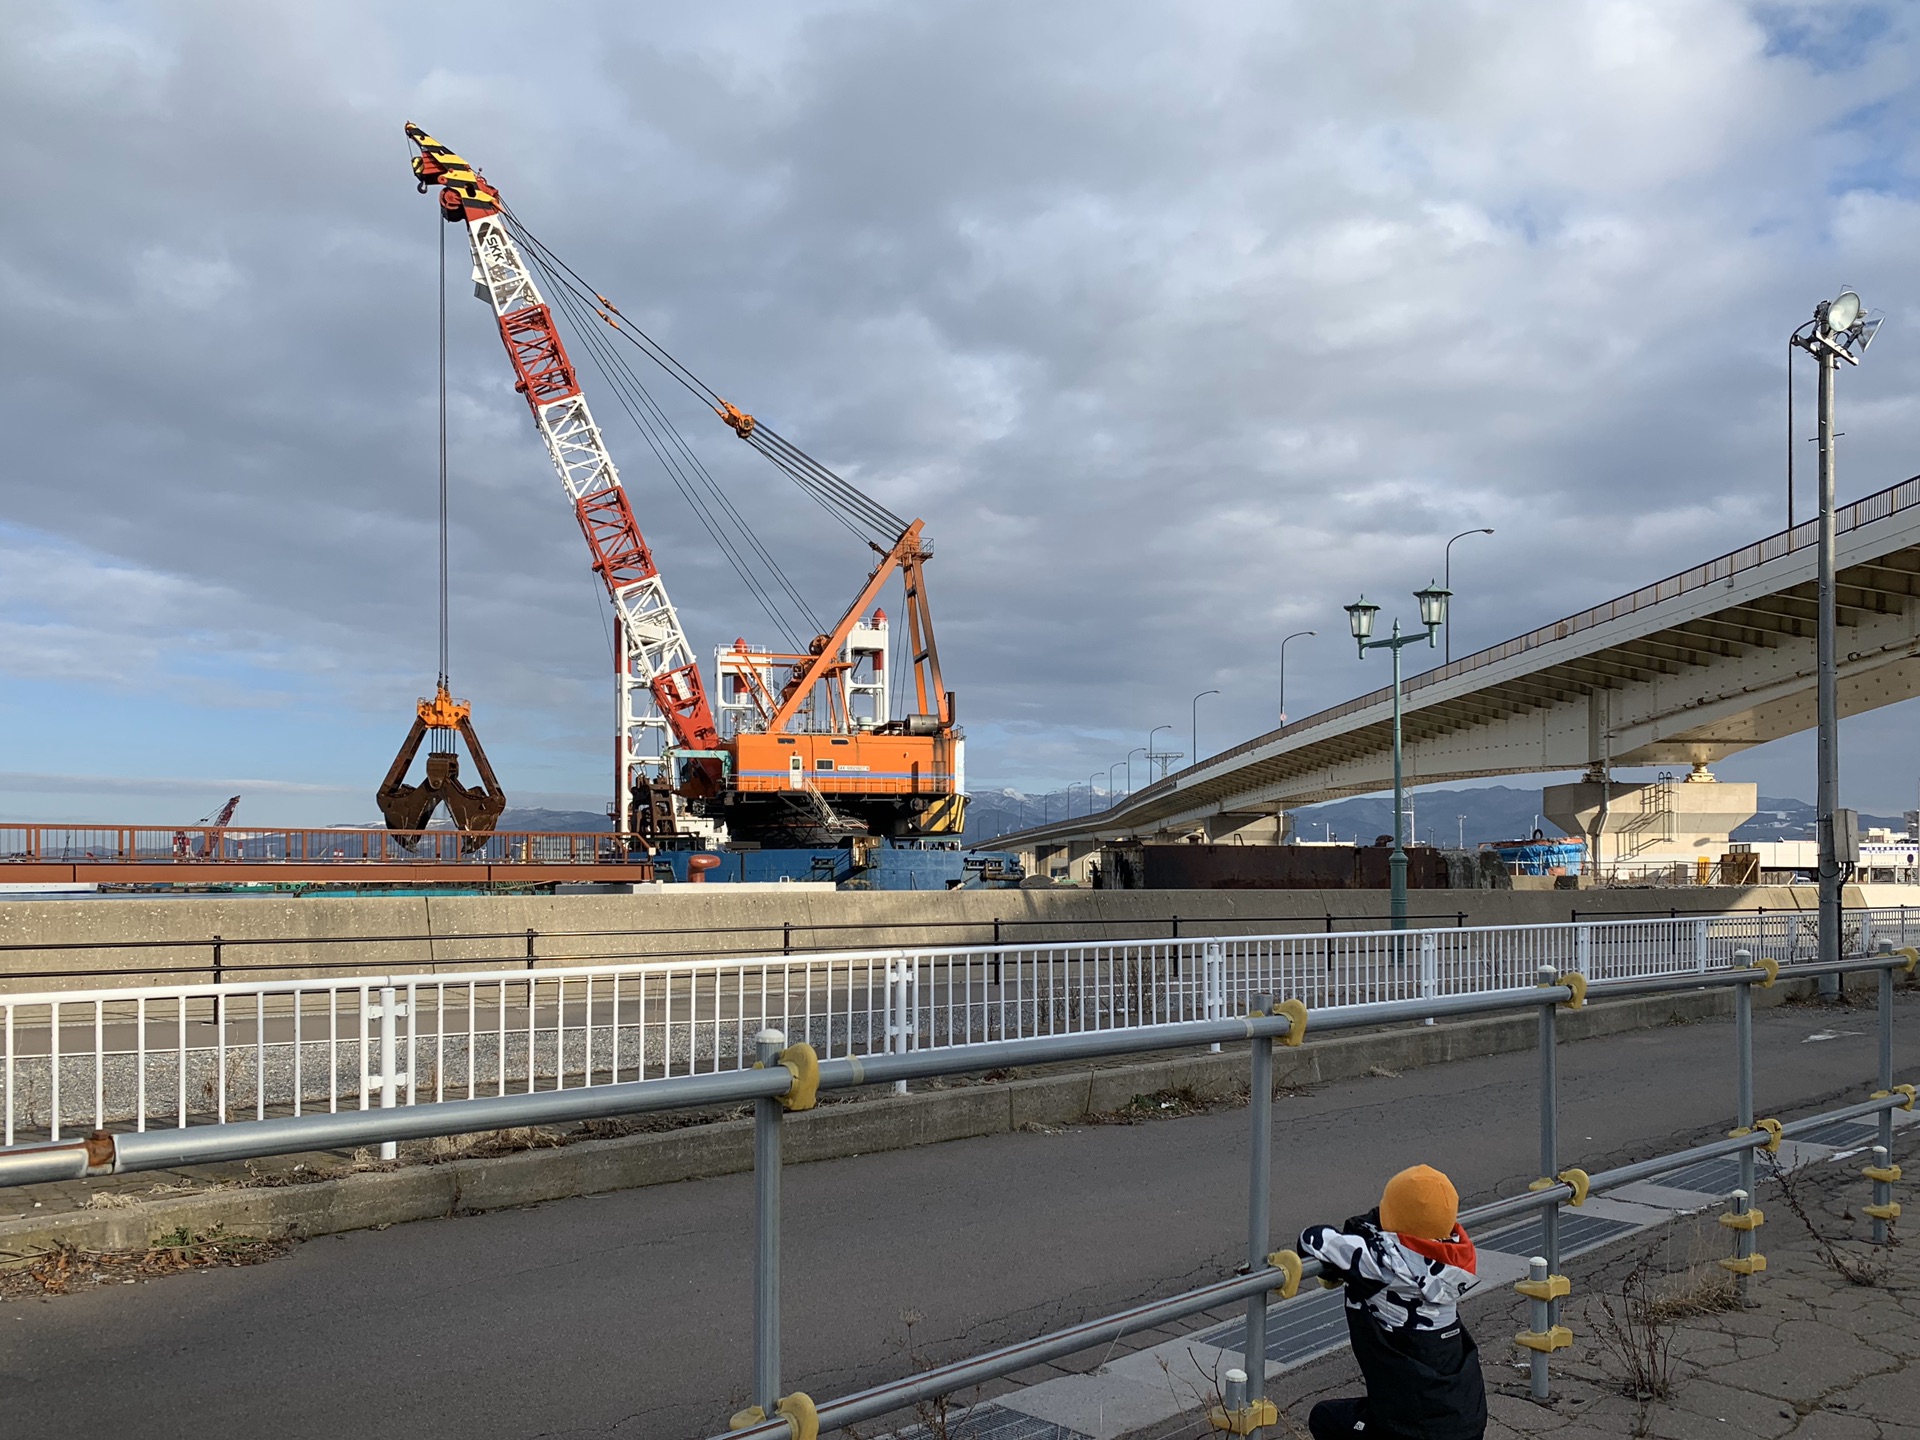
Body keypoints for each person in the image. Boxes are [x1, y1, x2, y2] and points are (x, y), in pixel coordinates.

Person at [1297, 1163, 1487, 1439]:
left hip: (1410, 1426)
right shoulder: (1454, 1258)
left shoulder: (1383, 1263)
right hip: (1465, 1419)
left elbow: (1312, 1240)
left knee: (1325, 1418)